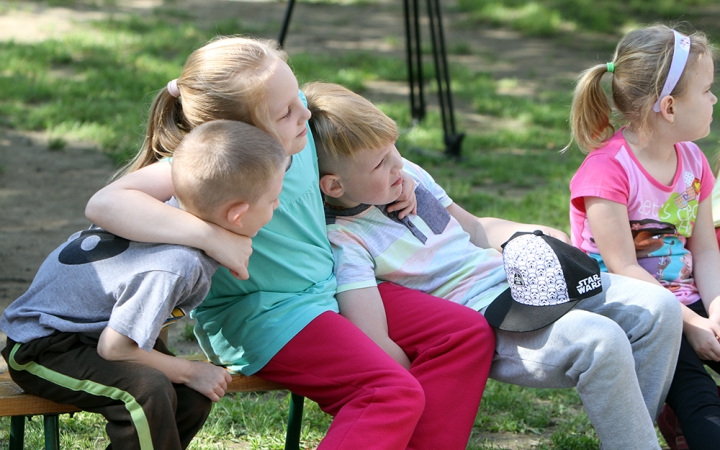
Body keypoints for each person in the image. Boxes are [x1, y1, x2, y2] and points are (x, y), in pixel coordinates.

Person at [84, 36, 495, 450]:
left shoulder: (297, 125)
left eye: (297, 93)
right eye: (285, 111)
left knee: (462, 335)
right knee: (389, 392)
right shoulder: (212, 167)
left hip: (329, 288)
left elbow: (354, 163)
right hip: (268, 316)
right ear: (239, 134)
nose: (306, 112)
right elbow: (106, 203)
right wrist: (209, 235)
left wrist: (396, 181)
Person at [305, 80, 683, 450]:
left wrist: (531, 231)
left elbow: (473, 228)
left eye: (394, 149)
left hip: (522, 281)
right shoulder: (346, 240)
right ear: (335, 187)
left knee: (659, 308)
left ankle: (632, 436)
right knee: (603, 340)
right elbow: (373, 336)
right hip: (490, 317)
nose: (397, 164)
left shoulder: (409, 176)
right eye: (380, 164)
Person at [0, 119, 288, 450]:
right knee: (148, 390)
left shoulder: (171, 212)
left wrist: (186, 376)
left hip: (92, 333)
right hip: (42, 347)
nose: (277, 206)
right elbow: (116, 348)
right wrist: (188, 370)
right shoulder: (175, 265)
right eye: (273, 200)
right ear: (237, 215)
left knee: (189, 395)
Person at [567, 24, 720, 450]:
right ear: (669, 106)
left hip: (687, 300)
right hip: (638, 309)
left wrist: (716, 309)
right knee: (700, 399)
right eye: (707, 90)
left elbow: (705, 248)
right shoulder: (606, 172)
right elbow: (624, 267)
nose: (714, 99)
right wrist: (692, 325)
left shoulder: (693, 160)